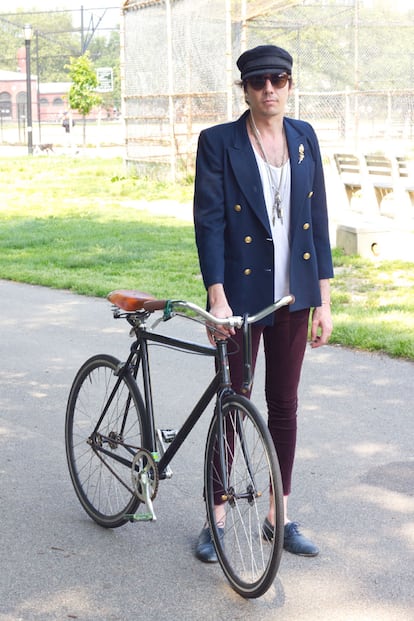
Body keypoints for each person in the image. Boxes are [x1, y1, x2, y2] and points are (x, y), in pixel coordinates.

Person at [193, 45, 334, 562]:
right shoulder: (219, 143)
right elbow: (208, 222)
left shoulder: (304, 138)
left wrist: (324, 298)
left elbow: (316, 222)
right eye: (258, 83)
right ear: (245, 90)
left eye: (278, 80)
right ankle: (218, 514)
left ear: (290, 84)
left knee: (285, 407)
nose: (269, 89)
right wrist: (217, 295)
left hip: (294, 298)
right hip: (241, 300)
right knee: (233, 406)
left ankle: (279, 515)